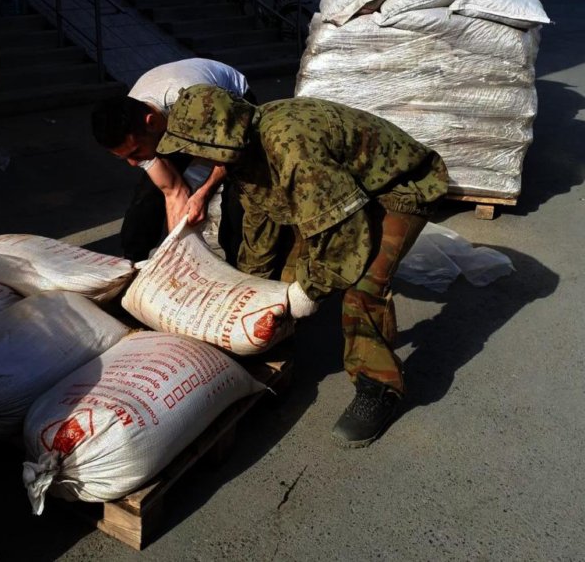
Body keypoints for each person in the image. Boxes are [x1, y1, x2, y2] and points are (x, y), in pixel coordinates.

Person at [156, 85, 449, 448]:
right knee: (291, 276)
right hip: (349, 186)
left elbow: (345, 237)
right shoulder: (245, 150)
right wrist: (250, 293)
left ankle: (380, 386)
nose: (193, 158)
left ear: (220, 137)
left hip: (400, 186)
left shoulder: (292, 149)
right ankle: (276, 350)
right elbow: (262, 218)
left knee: (362, 286)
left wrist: (306, 293)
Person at [91, 58, 254, 264]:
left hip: (228, 107)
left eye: (135, 153)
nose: (133, 163)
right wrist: (176, 255)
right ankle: (132, 261)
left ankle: (236, 263)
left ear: (150, 123)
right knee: (147, 196)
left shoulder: (198, 105)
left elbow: (229, 156)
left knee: (237, 195)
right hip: (170, 121)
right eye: (124, 157)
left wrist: (203, 194)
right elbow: (173, 190)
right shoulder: (132, 122)